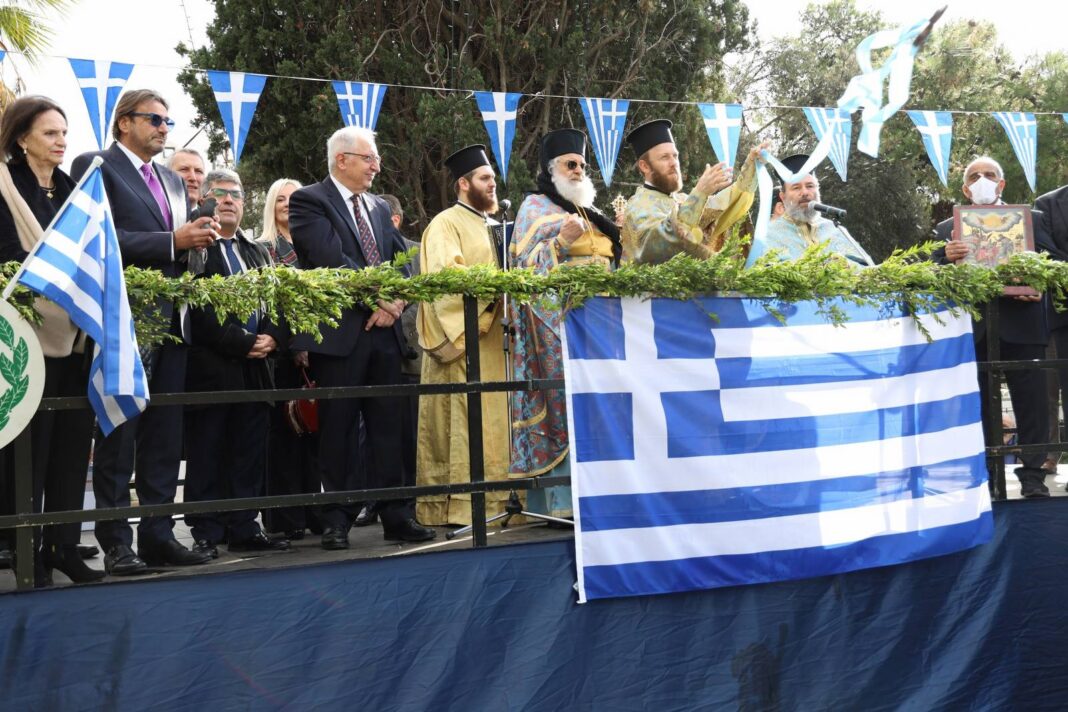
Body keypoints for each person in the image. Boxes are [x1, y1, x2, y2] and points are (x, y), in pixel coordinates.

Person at [71, 89, 217, 574]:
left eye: (167, 122)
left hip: (174, 319)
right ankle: (116, 540)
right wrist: (171, 240)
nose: (162, 128)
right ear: (123, 124)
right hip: (123, 321)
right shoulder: (96, 165)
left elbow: (180, 249)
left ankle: (158, 534)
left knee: (164, 436)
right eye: (153, 119)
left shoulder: (173, 182)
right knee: (120, 432)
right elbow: (98, 238)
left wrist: (197, 243)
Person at [289, 126, 435, 548]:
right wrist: (378, 302)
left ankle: (398, 515)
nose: (377, 166)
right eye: (369, 158)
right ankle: (336, 519)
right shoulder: (309, 200)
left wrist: (396, 304)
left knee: (390, 429)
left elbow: (403, 262)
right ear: (342, 160)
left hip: (385, 335)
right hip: (340, 337)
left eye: (376, 159)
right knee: (338, 431)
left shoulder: (375, 207)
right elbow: (328, 259)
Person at [0, 96, 102, 586]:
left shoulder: (73, 191)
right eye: (50, 134)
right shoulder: (3, 185)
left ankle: (63, 546)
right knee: (31, 452)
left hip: (78, 336)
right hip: (25, 340)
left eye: (64, 133)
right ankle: (25, 550)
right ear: (22, 138)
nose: (62, 142)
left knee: (70, 446)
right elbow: (5, 256)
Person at [508, 128, 621, 517]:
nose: (578, 171)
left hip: (601, 327)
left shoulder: (593, 214)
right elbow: (522, 271)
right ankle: (559, 503)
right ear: (551, 169)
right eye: (570, 165)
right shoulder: (534, 209)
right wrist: (559, 243)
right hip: (557, 327)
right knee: (562, 405)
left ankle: (600, 495)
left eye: (583, 165)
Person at [183, 168, 289, 557]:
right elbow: (195, 305)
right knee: (208, 450)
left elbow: (278, 299)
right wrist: (240, 341)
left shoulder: (256, 250)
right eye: (220, 193)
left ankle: (245, 525)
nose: (228, 199)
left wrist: (273, 336)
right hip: (212, 368)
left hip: (257, 367)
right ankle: (207, 530)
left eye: (236, 194)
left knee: (248, 450)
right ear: (205, 201)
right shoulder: (196, 247)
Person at [934, 156, 1053, 497]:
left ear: (1002, 184)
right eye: (975, 176)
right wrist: (946, 256)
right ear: (965, 187)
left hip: (1024, 323)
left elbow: (1056, 261)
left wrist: (1038, 280)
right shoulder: (946, 230)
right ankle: (987, 474)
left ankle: (1032, 476)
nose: (982, 180)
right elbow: (928, 275)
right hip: (974, 327)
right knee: (980, 404)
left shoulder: (1033, 220)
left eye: (989, 175)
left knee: (1032, 404)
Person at [416, 145, 511, 526]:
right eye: (485, 179)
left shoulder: (496, 225)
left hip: (496, 348)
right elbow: (447, 281)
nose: (492, 185)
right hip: (465, 346)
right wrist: (491, 305)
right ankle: (457, 510)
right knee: (463, 424)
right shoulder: (445, 223)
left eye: (492, 179)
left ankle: (500, 504)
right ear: (463, 183)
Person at [257, 177, 322, 540]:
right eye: (280, 199)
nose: (287, 204)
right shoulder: (262, 248)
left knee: (313, 436)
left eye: (294, 198)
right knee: (283, 436)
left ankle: (314, 510)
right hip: (280, 356)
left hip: (318, 353)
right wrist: (293, 344)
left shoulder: (313, 245)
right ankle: (284, 517)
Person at [621, 119, 758, 264]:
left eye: (675, 156)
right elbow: (659, 247)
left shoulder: (682, 199)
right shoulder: (638, 207)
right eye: (664, 157)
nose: (674, 163)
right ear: (645, 166)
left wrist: (752, 165)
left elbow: (723, 207)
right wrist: (700, 193)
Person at [745, 153, 873, 267]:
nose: (805, 192)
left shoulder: (835, 228)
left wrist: (846, 265)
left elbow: (867, 270)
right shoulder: (769, 234)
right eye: (796, 188)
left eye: (810, 186)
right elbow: (765, 278)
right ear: (783, 197)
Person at [1035, 179, 1068, 481]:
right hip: (1060, 314)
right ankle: (1049, 453)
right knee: (1050, 388)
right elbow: (1046, 253)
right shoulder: (1047, 203)